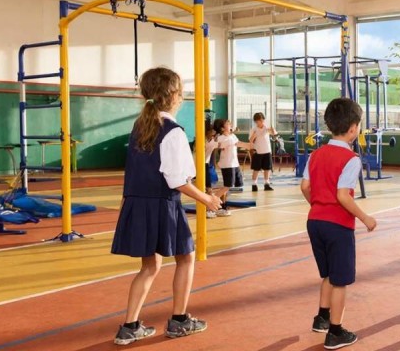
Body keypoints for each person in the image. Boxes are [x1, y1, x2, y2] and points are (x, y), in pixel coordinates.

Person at [111, 67, 222, 345]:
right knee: (186, 258)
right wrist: (207, 199)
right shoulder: (173, 132)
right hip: (163, 205)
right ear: (173, 96)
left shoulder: (140, 127)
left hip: (138, 204)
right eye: (181, 92)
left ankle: (130, 326)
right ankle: (179, 320)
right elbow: (177, 181)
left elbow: (134, 171)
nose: (182, 97)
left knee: (149, 266)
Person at [300, 97, 377, 350]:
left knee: (328, 274)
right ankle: (335, 332)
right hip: (337, 226)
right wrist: (365, 217)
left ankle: (321, 318)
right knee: (340, 280)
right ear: (354, 128)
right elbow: (343, 196)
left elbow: (305, 187)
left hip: (315, 222)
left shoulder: (315, 154)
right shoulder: (351, 159)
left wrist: (318, 205)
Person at [213, 118, 252, 217]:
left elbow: (239, 143)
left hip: (235, 164)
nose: (230, 124)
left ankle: (222, 203)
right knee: (227, 186)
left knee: (234, 185)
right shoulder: (221, 138)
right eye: (228, 124)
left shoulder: (232, 136)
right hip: (227, 165)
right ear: (222, 128)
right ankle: (212, 201)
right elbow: (222, 145)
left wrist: (251, 145)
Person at [249, 112, 277, 192]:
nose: (261, 122)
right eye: (259, 121)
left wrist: (272, 130)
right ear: (256, 121)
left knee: (267, 168)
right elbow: (250, 140)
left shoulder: (266, 127)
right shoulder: (254, 129)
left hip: (267, 151)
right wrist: (254, 135)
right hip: (258, 151)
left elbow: (274, 134)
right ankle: (254, 184)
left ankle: (266, 184)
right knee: (256, 169)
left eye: (262, 120)